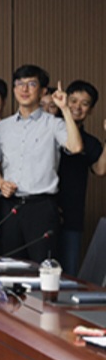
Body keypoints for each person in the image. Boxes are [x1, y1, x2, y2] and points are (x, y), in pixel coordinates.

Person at [0, 65, 82, 262]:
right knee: (8, 266)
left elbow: (75, 147)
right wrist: (0, 182)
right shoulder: (2, 127)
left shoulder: (54, 124)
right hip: (9, 207)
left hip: (41, 207)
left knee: (43, 266)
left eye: (31, 84)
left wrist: (65, 109)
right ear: (14, 89)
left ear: (42, 92)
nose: (24, 89)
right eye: (19, 84)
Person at [57, 80, 106, 274]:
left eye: (84, 104)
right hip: (42, 212)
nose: (77, 107)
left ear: (91, 110)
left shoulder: (90, 142)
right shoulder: (49, 131)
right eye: (73, 101)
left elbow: (100, 169)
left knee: (68, 274)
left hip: (72, 216)